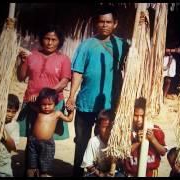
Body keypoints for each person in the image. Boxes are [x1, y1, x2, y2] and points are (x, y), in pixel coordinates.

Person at [66, 6, 129, 176]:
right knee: (81, 141)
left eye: (108, 22)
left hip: (108, 105)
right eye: (101, 21)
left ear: (115, 24)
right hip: (86, 102)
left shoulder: (122, 45)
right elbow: (77, 71)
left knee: (104, 141)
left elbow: (135, 63)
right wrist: (71, 96)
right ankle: (79, 173)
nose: (104, 25)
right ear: (96, 23)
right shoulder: (86, 45)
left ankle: (101, 172)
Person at [17, 24, 71, 176]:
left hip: (52, 104)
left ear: (59, 41)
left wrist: (46, 95)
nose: (50, 42)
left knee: (47, 139)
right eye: (47, 38)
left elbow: (65, 80)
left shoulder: (63, 59)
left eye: (54, 39)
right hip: (32, 103)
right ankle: (30, 169)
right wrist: (22, 62)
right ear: (42, 39)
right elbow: (21, 77)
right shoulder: (32, 55)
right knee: (31, 138)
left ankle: (44, 171)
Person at [27, 88, 74, 177]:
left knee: (44, 169)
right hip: (33, 141)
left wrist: (71, 111)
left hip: (47, 144)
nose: (46, 107)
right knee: (31, 167)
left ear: (55, 104)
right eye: (44, 104)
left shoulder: (57, 114)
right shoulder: (39, 110)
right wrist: (32, 99)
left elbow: (69, 119)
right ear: (40, 103)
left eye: (50, 104)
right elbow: (30, 104)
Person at [123, 98, 167, 177]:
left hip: (150, 173)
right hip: (131, 173)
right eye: (136, 115)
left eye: (142, 116)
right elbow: (123, 153)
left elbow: (163, 152)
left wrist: (153, 139)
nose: (139, 119)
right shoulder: (127, 132)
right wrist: (138, 142)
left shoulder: (156, 130)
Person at [81, 109, 124, 177]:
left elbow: (122, 162)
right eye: (104, 127)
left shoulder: (117, 141)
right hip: (98, 172)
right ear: (98, 127)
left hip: (115, 172)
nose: (108, 130)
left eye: (110, 127)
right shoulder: (93, 141)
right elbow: (88, 164)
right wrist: (100, 174)